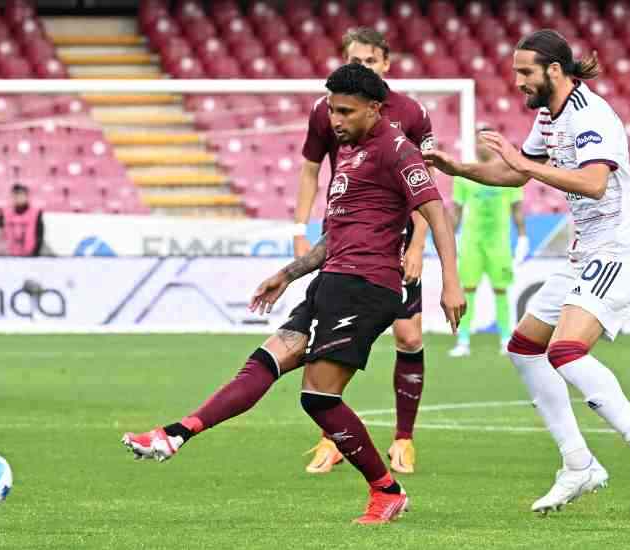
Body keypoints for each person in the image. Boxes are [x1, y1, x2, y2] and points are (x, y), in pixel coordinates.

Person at [123, 64, 466, 524]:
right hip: (333, 280)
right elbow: (336, 237)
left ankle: (386, 491)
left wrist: (451, 280)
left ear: (374, 108)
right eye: (331, 110)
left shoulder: (397, 150)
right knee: (265, 360)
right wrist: (288, 274)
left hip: (366, 286)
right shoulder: (349, 152)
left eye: (345, 111)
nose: (335, 120)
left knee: (318, 397)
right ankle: (175, 434)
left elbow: (436, 211)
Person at [423, 29, 630, 515]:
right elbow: (516, 172)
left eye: (525, 72)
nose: (518, 81)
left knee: (565, 350)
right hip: (586, 250)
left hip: (618, 248)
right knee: (523, 347)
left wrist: (526, 165)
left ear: (554, 71)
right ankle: (578, 463)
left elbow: (594, 183)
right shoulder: (548, 114)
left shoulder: (591, 116)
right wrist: (456, 168)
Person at [294, 27, 438, 475]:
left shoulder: (411, 113)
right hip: (344, 237)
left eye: (370, 61)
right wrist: (300, 228)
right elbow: (310, 171)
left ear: (386, 63)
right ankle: (330, 439)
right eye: (355, 59)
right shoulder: (328, 110)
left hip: (395, 238)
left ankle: (404, 438)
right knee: (332, 341)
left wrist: (417, 244)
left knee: (409, 337)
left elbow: (426, 187)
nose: (363, 68)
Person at [449, 129, 528, 357]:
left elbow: (517, 209)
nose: (478, 147)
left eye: (482, 142)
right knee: (467, 291)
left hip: (499, 243)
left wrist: (522, 237)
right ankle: (463, 341)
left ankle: (505, 340)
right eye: (476, 142)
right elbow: (456, 209)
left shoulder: (509, 173)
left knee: (501, 290)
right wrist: (449, 238)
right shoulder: (464, 173)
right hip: (471, 242)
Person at [0, 183, 44, 256]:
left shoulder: (36, 213)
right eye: (15, 195)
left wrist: (35, 254)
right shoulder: (5, 213)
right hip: (10, 256)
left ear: (26, 196)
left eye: (21, 195)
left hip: (30, 256)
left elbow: (40, 236)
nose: (18, 197)